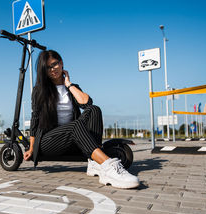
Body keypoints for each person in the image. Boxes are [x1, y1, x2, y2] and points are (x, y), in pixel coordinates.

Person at [23, 50, 139, 189]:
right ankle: (107, 166)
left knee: (94, 109)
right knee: (75, 125)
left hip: (72, 137)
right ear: (44, 71)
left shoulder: (71, 87)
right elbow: (35, 119)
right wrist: (31, 147)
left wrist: (69, 84)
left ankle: (94, 163)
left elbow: (86, 103)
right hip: (49, 141)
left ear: (61, 63)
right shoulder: (39, 90)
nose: (53, 69)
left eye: (55, 64)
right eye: (48, 67)